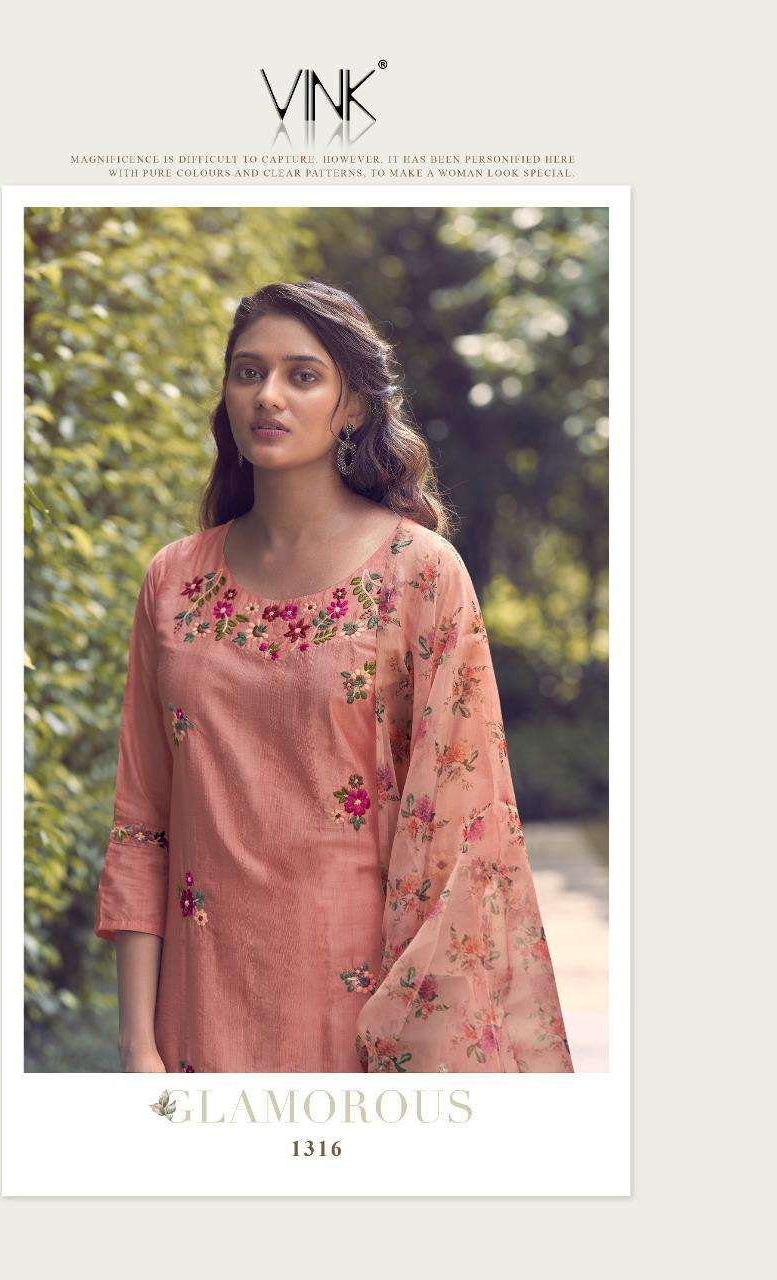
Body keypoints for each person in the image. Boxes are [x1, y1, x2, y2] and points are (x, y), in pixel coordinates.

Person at [94, 279, 574, 1074]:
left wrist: (415, 1053)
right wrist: (136, 1044)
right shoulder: (173, 580)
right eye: (248, 372)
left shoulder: (418, 574)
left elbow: (460, 837)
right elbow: (143, 820)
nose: (268, 396)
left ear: (351, 405)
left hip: (364, 1022)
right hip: (196, 1021)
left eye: (302, 376)